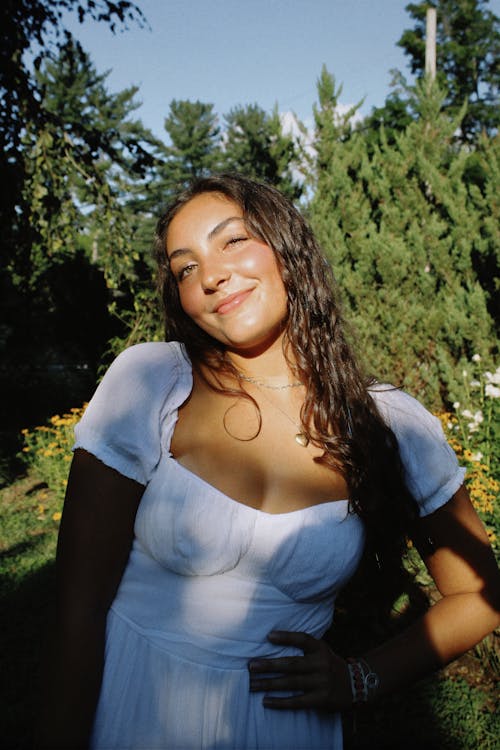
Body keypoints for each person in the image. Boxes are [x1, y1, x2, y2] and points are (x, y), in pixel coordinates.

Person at [38, 173, 499, 750]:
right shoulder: (151, 381)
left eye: (232, 241)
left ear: (287, 246)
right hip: (135, 707)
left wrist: (358, 680)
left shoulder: (390, 425)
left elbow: (480, 595)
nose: (210, 275)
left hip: (285, 728)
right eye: (185, 268)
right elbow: (79, 608)